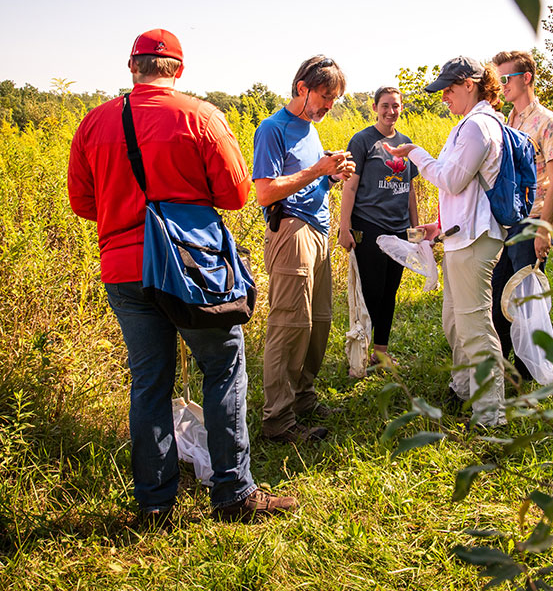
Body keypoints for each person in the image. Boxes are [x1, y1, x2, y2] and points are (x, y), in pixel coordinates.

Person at [68, 28, 296, 524]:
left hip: (125, 270)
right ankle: (234, 494)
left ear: (132, 66)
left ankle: (153, 504)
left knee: (149, 383)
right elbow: (236, 195)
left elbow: (84, 203)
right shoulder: (201, 116)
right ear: (179, 69)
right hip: (192, 269)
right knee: (222, 368)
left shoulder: (93, 123)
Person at [386, 57, 507, 427]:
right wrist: (440, 226)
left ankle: (491, 414)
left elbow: (451, 180)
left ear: (470, 84)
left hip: (475, 241)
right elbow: (467, 191)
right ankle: (465, 388)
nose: (444, 98)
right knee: (454, 321)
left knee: (474, 327)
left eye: (449, 90)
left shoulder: (478, 127)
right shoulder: (470, 125)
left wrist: (415, 153)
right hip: (460, 236)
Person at [253, 55, 355, 444]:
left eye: (335, 99)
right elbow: (265, 191)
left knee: (318, 322)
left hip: (318, 229)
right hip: (291, 230)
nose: (329, 105)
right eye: (325, 96)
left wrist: (330, 175)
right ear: (302, 88)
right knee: (290, 324)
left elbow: (308, 181)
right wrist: (316, 171)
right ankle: (277, 421)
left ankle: (302, 400)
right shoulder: (272, 129)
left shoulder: (311, 129)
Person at [489, 50, 553, 381]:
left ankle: (529, 371)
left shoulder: (548, 122)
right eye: (499, 78)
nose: (502, 85)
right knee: (498, 294)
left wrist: (544, 230)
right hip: (509, 220)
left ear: (527, 78)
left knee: (526, 299)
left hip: (533, 221)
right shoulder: (510, 120)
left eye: (506, 78)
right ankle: (504, 363)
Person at [338, 86, 419, 365]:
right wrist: (344, 226)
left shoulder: (406, 143)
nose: (390, 111)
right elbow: (350, 187)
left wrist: (416, 231)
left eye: (395, 106)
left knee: (390, 292)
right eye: (385, 106)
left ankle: (381, 353)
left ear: (401, 108)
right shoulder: (362, 141)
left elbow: (409, 190)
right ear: (374, 108)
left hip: (399, 229)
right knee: (370, 292)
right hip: (369, 227)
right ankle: (359, 353)